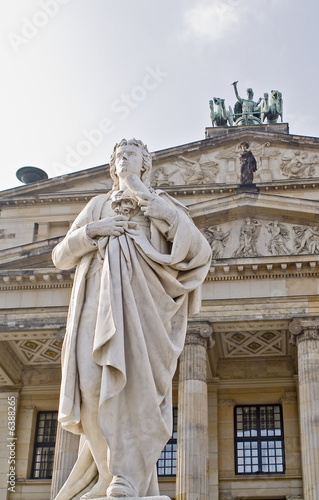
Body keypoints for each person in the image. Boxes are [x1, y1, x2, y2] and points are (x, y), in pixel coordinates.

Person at [52, 138, 212, 499]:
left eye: (131, 155)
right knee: (90, 385)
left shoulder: (162, 204)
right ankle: (109, 475)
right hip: (98, 296)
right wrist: (93, 232)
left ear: (145, 164)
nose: (123, 159)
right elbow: (60, 255)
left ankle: (127, 478)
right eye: (118, 156)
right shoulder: (96, 205)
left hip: (146, 309)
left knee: (136, 392)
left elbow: (199, 251)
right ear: (112, 166)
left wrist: (144, 197)